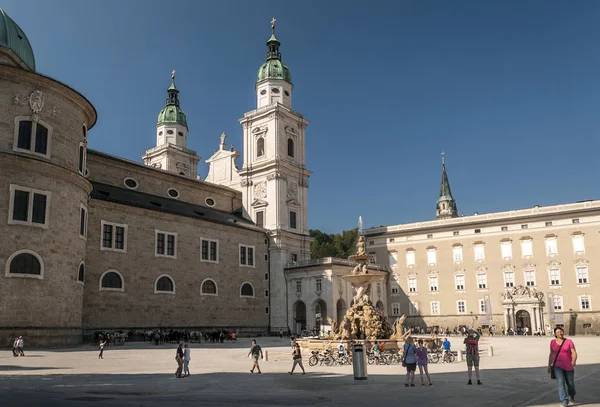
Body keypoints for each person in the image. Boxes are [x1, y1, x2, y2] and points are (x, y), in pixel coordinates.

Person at [548, 326, 577, 407]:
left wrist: (573, 361)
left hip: (568, 365)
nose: (559, 333)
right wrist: (549, 365)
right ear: (555, 334)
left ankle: (572, 396)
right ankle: (564, 400)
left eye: (560, 331)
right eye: (557, 332)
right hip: (557, 366)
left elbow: (574, 352)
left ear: (563, 332)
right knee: (560, 383)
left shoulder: (569, 341)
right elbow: (551, 354)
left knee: (570, 383)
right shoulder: (552, 342)